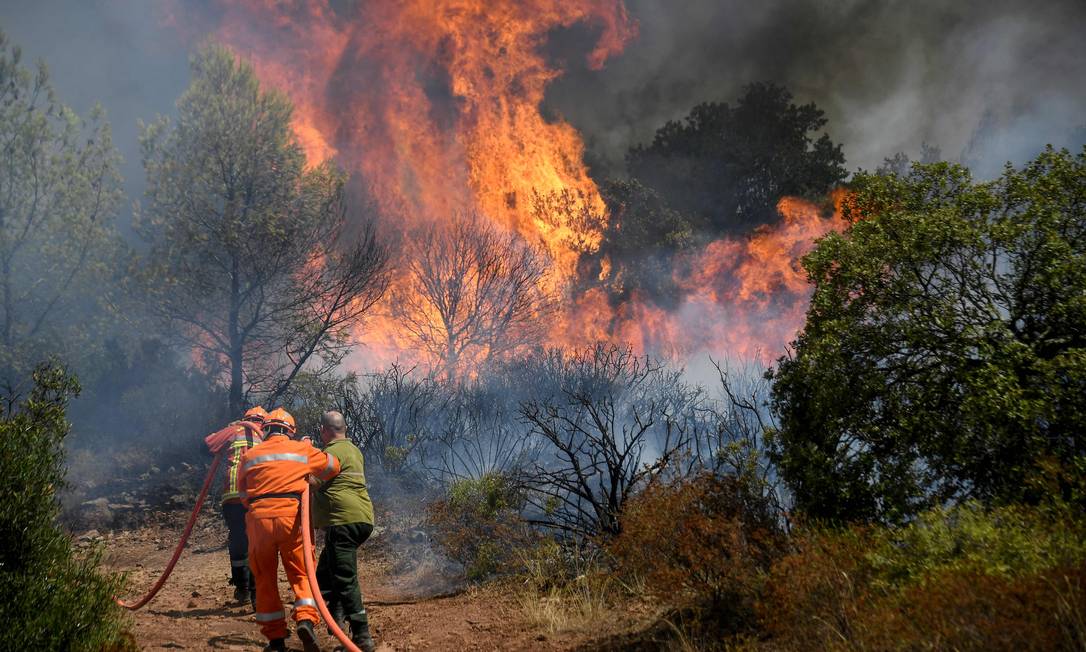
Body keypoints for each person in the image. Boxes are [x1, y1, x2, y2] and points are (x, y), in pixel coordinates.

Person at [239, 407, 341, 652]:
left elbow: (243, 495)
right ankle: (305, 619)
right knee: (302, 572)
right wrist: (309, 454)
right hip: (291, 517)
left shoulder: (249, 455)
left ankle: (275, 641)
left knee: (264, 578)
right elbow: (332, 467)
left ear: (265, 430)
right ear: (290, 431)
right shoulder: (301, 449)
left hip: (258, 520)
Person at [312, 410, 376, 652]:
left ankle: (362, 637)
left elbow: (313, 482)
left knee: (345, 579)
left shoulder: (331, 453)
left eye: (321, 430)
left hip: (343, 522)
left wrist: (298, 462)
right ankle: (336, 619)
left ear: (326, 431)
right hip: (362, 519)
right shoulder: (354, 450)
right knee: (324, 575)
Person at [204, 406, 266, 605]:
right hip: (258, 496)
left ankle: (243, 589)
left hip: (233, 495)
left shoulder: (233, 431)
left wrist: (226, 432)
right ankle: (257, 593)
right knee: (257, 543)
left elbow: (206, 445)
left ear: (245, 418)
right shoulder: (267, 436)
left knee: (238, 540)